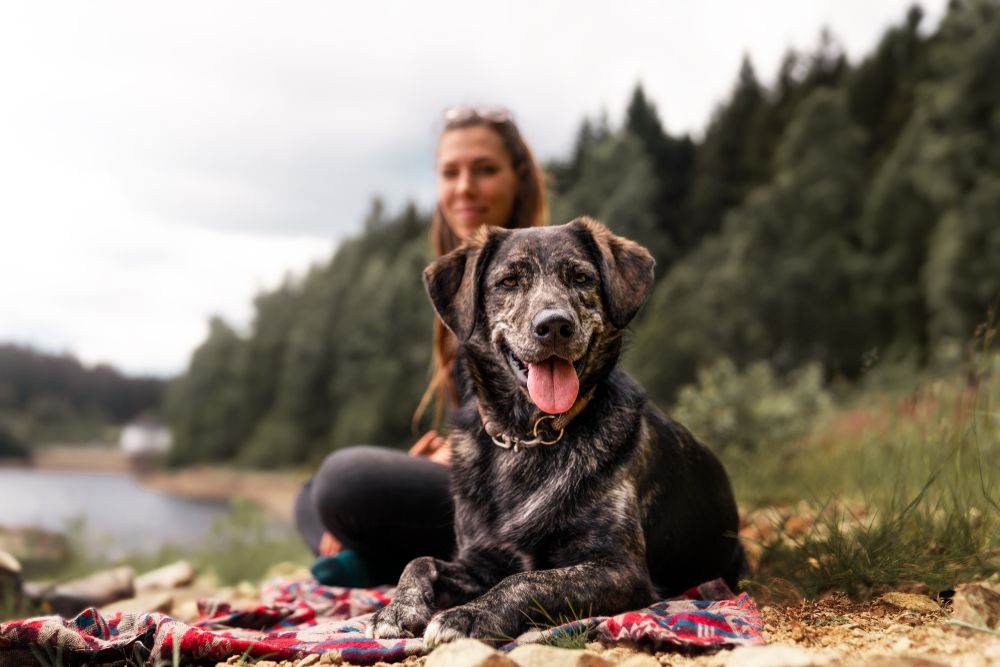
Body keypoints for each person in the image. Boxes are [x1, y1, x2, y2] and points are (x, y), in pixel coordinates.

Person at [294, 106, 548, 587]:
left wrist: (458, 453)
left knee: (343, 483)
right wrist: (445, 453)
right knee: (309, 494)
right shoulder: (463, 284)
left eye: (485, 169)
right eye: (450, 172)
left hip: (531, 486)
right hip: (481, 477)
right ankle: (381, 562)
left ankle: (374, 564)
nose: (464, 187)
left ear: (519, 179)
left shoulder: (541, 281)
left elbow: (551, 421)